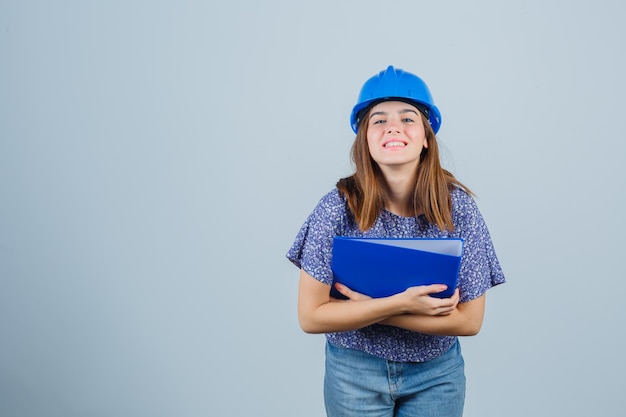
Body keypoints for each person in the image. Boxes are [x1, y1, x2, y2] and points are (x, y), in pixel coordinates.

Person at [286, 65, 505, 417]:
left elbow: (470, 322)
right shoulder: (336, 207)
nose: (393, 127)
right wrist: (402, 304)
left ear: (426, 137)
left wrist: (377, 309)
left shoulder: (459, 208)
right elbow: (311, 317)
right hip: (353, 370)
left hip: (436, 374)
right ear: (365, 138)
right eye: (379, 120)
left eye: (407, 119)